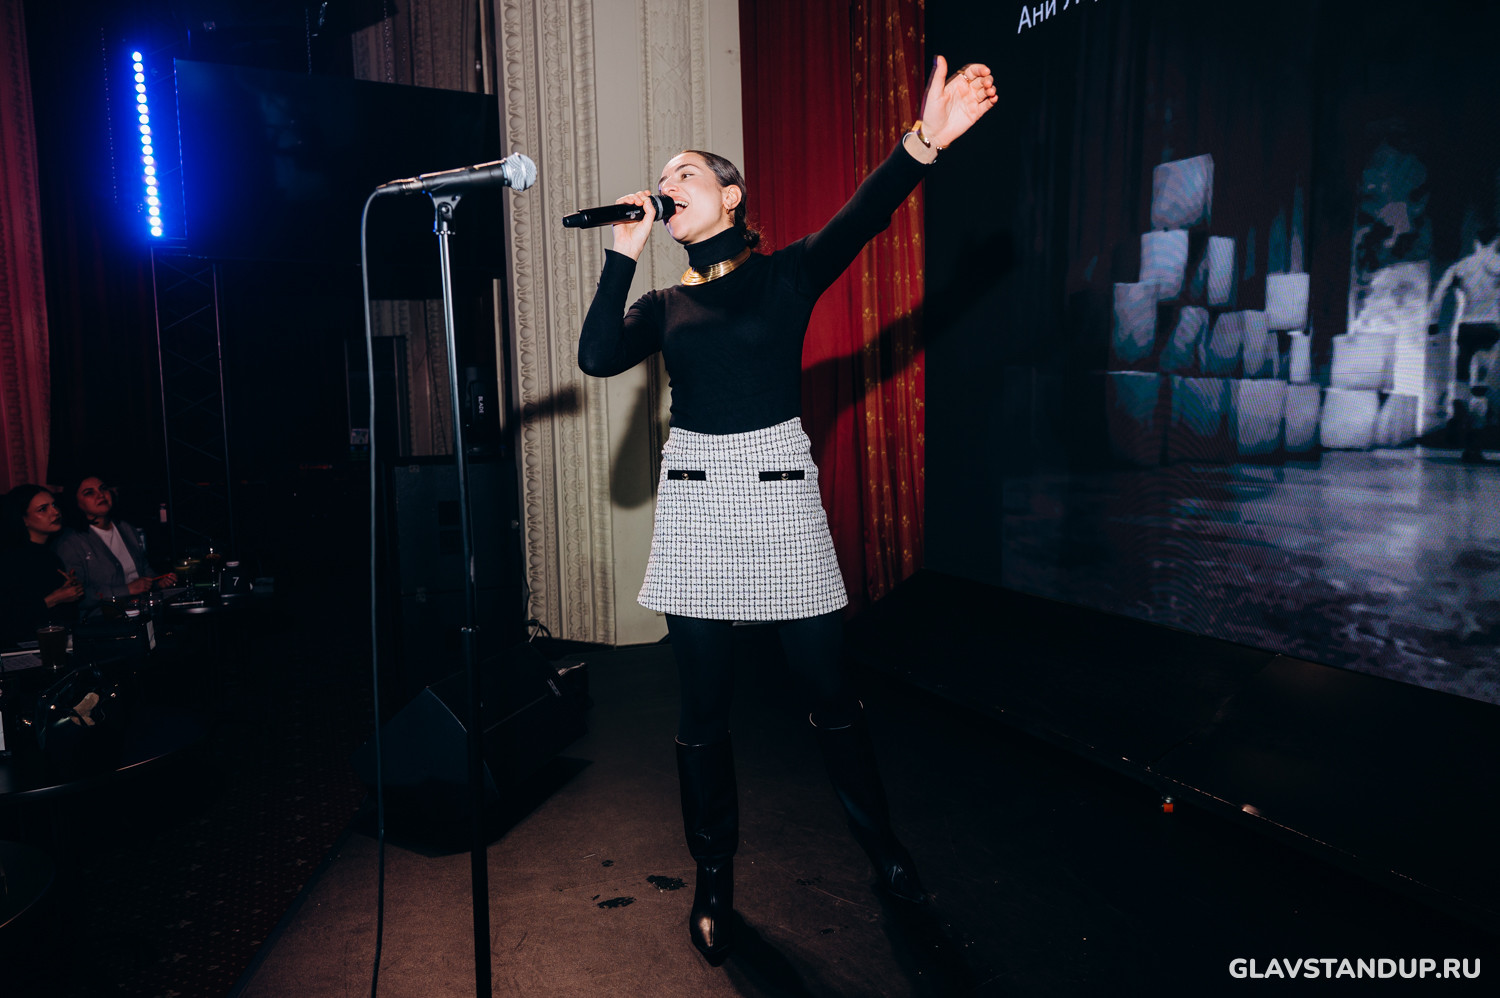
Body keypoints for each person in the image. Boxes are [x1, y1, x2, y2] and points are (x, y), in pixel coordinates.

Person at [578, 56, 997, 961]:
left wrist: (925, 141)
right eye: (662, 180)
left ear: (730, 196)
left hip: (778, 493)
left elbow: (867, 214)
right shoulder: (661, 304)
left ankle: (887, 859)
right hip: (695, 502)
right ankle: (713, 877)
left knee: (830, 696)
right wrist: (622, 254)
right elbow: (597, 357)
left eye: (686, 172)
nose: (668, 185)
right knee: (703, 710)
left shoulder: (786, 274)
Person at [55, 474, 174, 615]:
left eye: (103, 488)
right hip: (102, 618)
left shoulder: (126, 528)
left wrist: (158, 582)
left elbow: (144, 571)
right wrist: (127, 589)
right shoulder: (71, 542)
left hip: (141, 609)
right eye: (89, 493)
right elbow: (78, 595)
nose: (101, 495)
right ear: (75, 502)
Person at [0, 484, 84, 646]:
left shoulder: (50, 554)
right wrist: (55, 598)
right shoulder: (10, 559)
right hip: (22, 647)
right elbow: (10, 616)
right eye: (43, 509)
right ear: (24, 519)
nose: (55, 512)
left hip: (55, 641)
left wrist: (72, 591)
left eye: (54, 505)